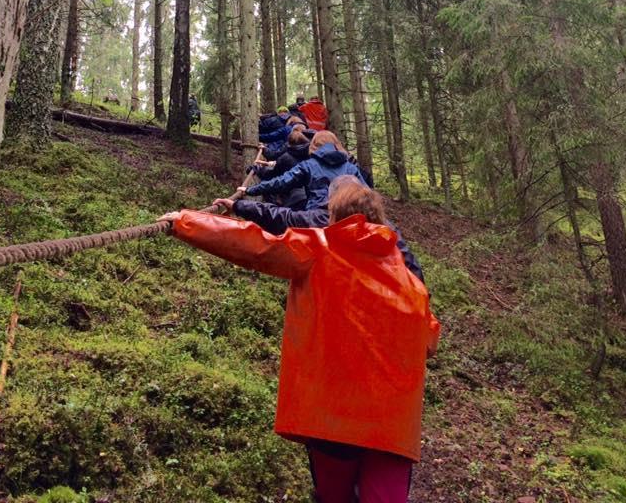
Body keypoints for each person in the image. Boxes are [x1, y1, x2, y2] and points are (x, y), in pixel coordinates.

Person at [159, 178, 440, 503]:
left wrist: (185, 221)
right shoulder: (407, 278)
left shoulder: (320, 248)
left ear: (334, 215)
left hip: (334, 416)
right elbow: (429, 339)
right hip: (392, 424)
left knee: (333, 495)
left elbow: (256, 244)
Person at [214, 174, 425, 282]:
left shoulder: (323, 221)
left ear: (333, 200)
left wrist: (239, 205)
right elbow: (413, 272)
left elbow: (281, 217)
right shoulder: (389, 230)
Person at [246, 130, 366, 210]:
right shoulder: (351, 167)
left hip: (316, 217)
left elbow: (280, 182)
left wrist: (250, 190)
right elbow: (367, 194)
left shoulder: (308, 165)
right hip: (348, 218)